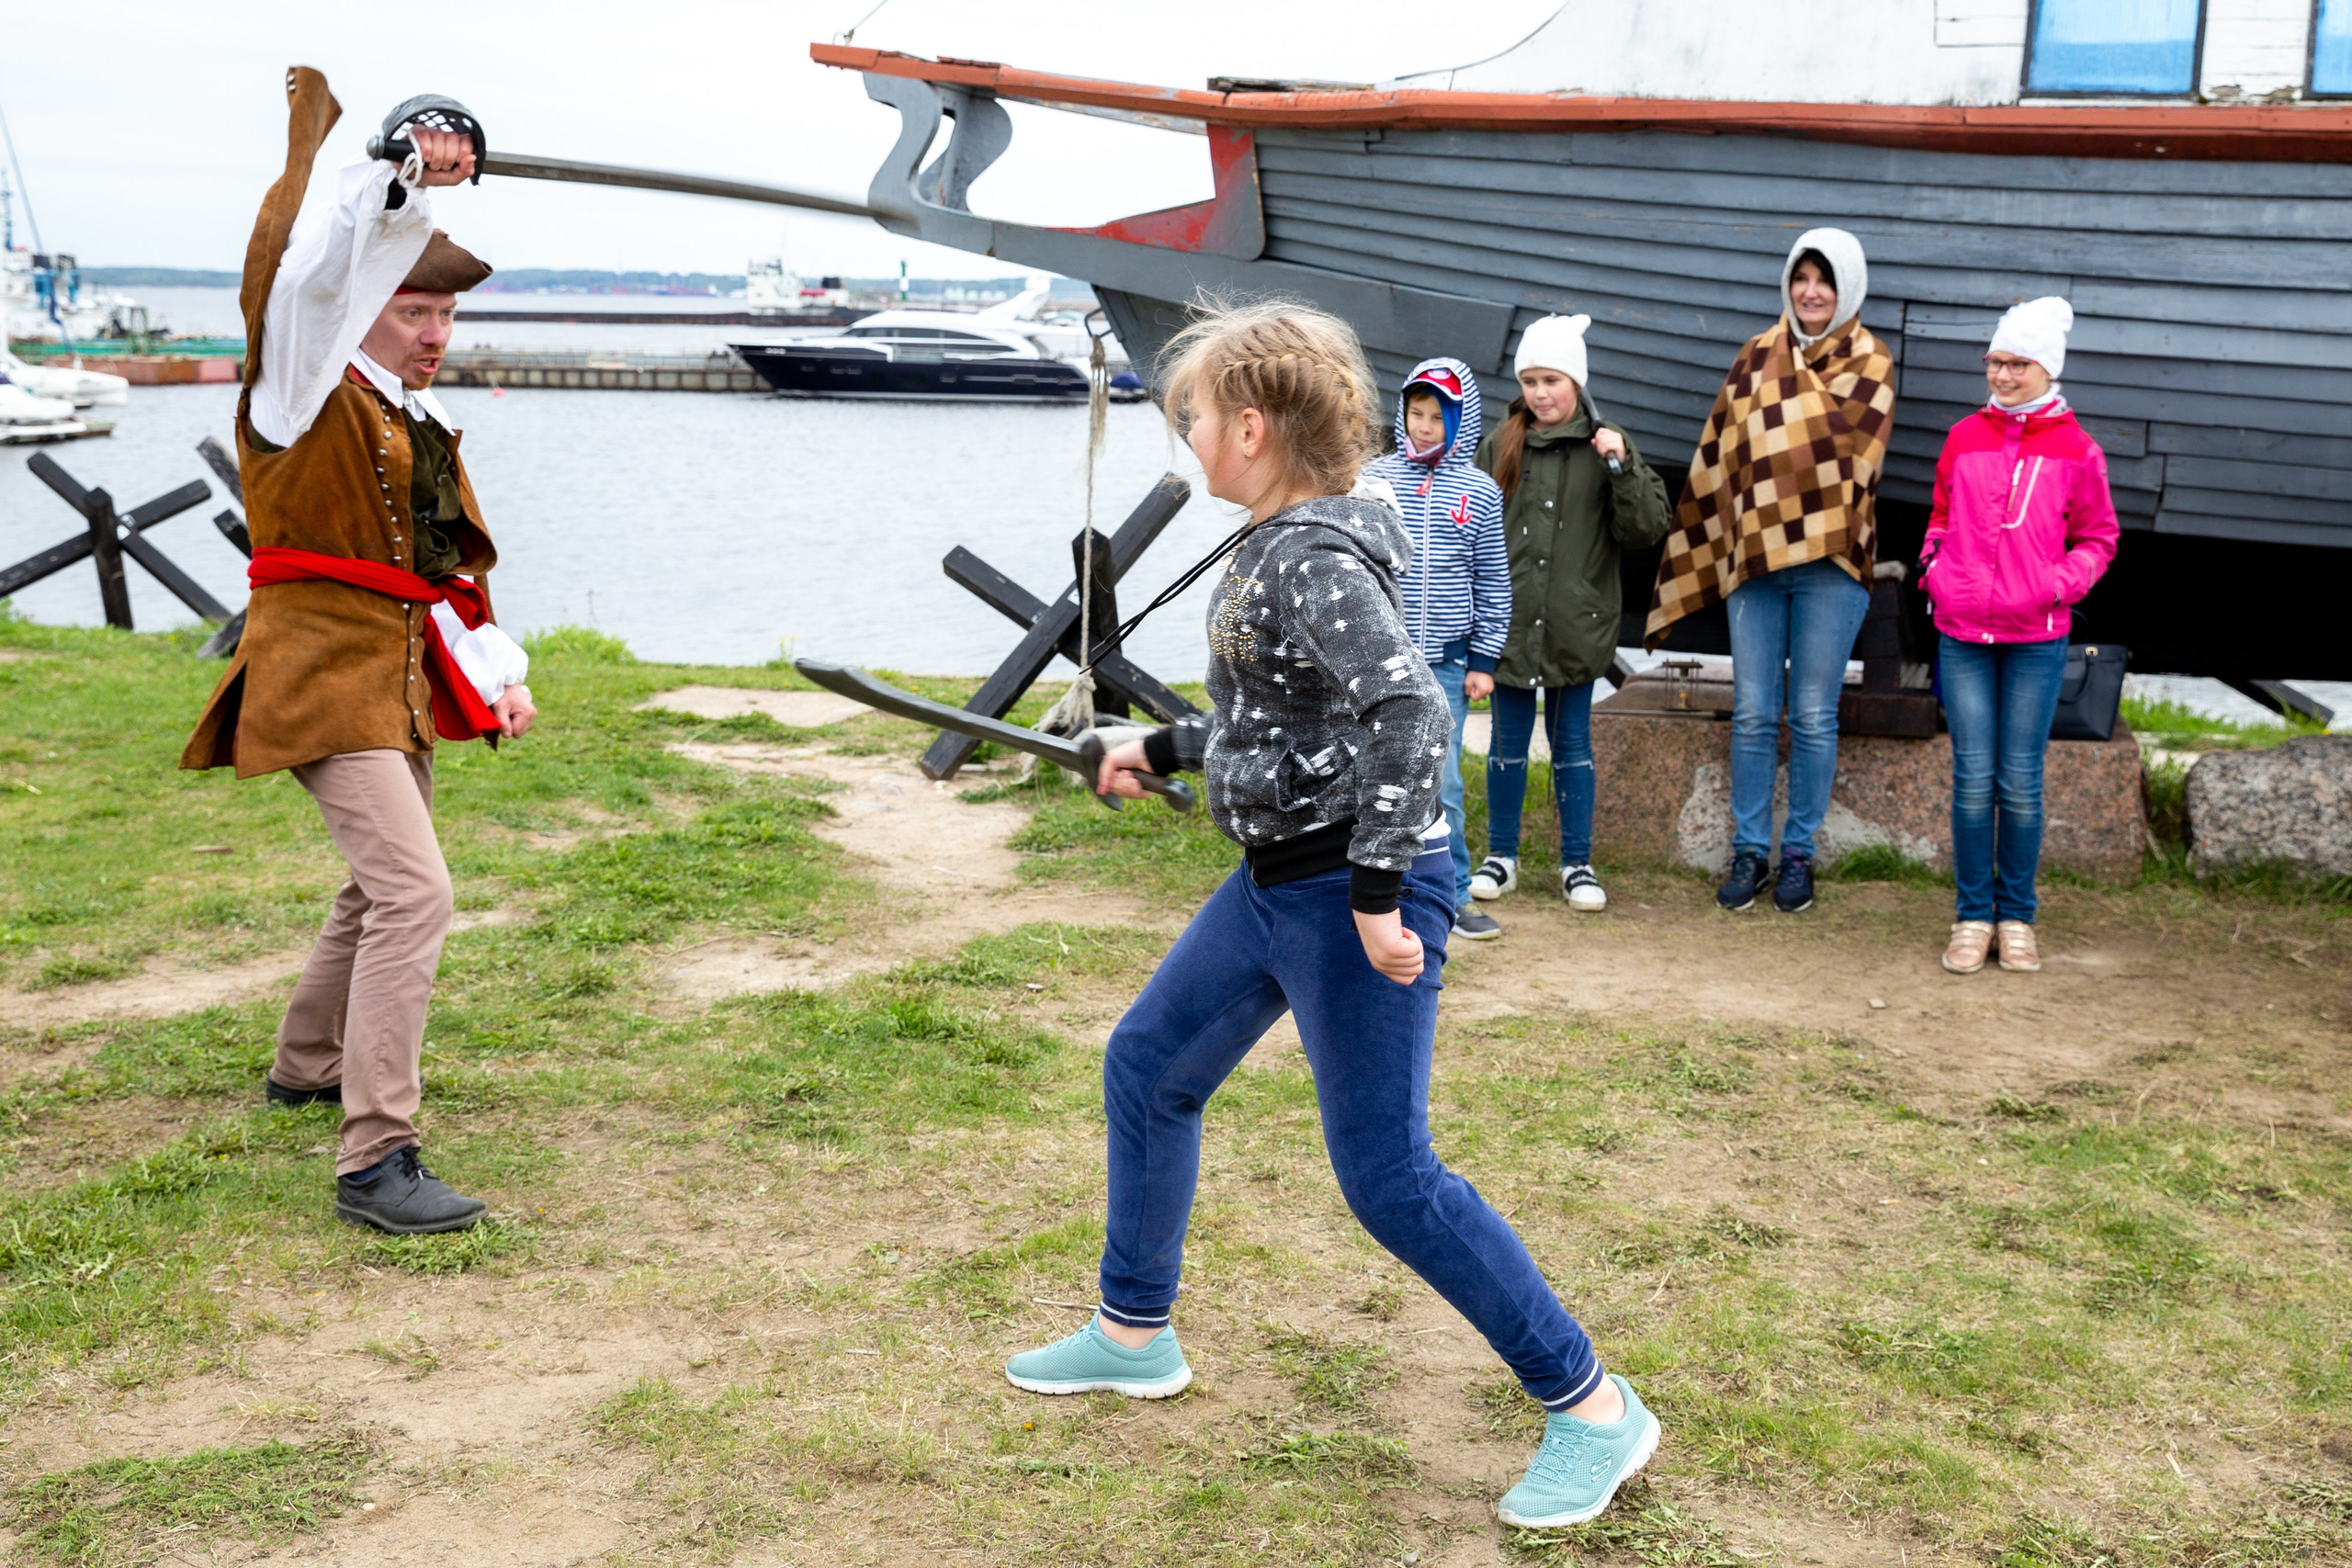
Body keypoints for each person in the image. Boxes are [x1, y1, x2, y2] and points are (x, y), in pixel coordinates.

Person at [1001, 301, 1659, 1531]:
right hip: (1276, 876)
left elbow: (1406, 714)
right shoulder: (1283, 538)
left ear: (1249, 426)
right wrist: (1151, 742)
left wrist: (1374, 899)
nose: (1187, 439)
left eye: (1192, 418)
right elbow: (1283, 721)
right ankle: (1133, 1327)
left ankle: (1595, 1406)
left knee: (1389, 1178)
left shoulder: (1306, 554)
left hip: (1358, 881)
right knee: (1150, 1065)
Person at [182, 68, 535, 1235]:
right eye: (413, 313)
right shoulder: (301, 386)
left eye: (445, 316)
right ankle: (376, 1157)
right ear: (369, 309)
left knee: (378, 883)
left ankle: (303, 1064)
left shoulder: (408, 416)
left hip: (389, 676)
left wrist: (496, 677)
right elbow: (317, 277)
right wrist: (392, 172)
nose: (434, 334)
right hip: (314, 671)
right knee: (414, 893)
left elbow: (443, 576)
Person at [1645, 229, 1898, 916]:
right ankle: (1750, 850)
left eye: (1824, 280)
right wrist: (1747, 516)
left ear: (1846, 287)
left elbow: (1855, 462)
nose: (1810, 292)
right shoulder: (1756, 355)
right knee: (1755, 714)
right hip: (1753, 561)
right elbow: (1723, 457)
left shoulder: (1872, 360)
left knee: (1813, 716)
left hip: (1831, 564)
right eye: (1800, 278)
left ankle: (1798, 855)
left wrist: (1773, 473)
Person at [1919, 297, 2118, 976]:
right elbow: (1939, 515)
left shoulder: (2078, 450)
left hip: (2037, 637)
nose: (2001, 376)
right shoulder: (1963, 436)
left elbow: (2099, 538)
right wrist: (1934, 569)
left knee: (2021, 783)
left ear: (2046, 369)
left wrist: (2057, 585)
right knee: (1973, 780)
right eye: (1995, 362)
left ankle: (2018, 917)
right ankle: (1973, 915)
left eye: (2016, 364)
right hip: (1962, 633)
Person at [1470, 314, 1670, 913]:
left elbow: (1646, 528)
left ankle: (1576, 861)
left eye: (1551, 379)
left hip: (1575, 626)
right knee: (1506, 744)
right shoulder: (1502, 441)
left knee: (1572, 745)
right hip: (1508, 620)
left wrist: (1622, 466)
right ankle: (1500, 855)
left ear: (1576, 382)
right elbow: (1475, 526)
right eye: (1530, 380)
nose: (1539, 393)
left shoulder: (1607, 445)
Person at [1357, 357, 1510, 942]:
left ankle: (1453, 893)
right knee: (1367, 773)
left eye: (1437, 418)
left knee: (1441, 782)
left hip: (1445, 666)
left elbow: (1493, 581)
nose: (1424, 427)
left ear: (1461, 420)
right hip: (1376, 661)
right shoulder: (1373, 479)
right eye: (1415, 414)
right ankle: (1365, 890)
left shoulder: (1479, 490)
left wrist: (1484, 661)